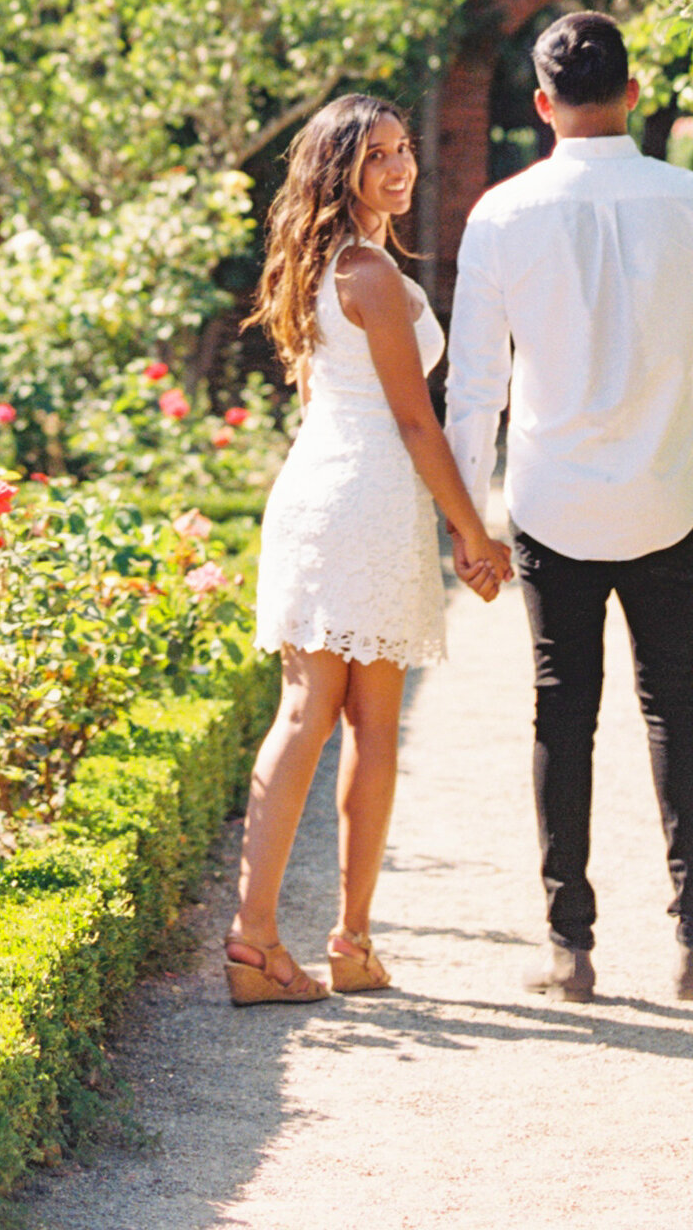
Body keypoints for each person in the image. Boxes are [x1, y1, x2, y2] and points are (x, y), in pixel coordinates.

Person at [446, 7, 693, 1004]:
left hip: (550, 507)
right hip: (671, 496)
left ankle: (570, 949)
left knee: (562, 711)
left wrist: (473, 528)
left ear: (541, 104)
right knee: (676, 706)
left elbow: (474, 391)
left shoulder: (500, 215)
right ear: (633, 94)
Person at [227, 93, 511, 1004]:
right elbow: (415, 423)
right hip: (363, 498)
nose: (399, 168)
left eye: (404, 150)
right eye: (376, 155)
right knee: (330, 718)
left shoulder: (318, 267)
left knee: (344, 720)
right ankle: (265, 940)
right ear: (337, 169)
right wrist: (476, 534)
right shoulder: (370, 276)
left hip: (326, 490)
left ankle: (339, 944)